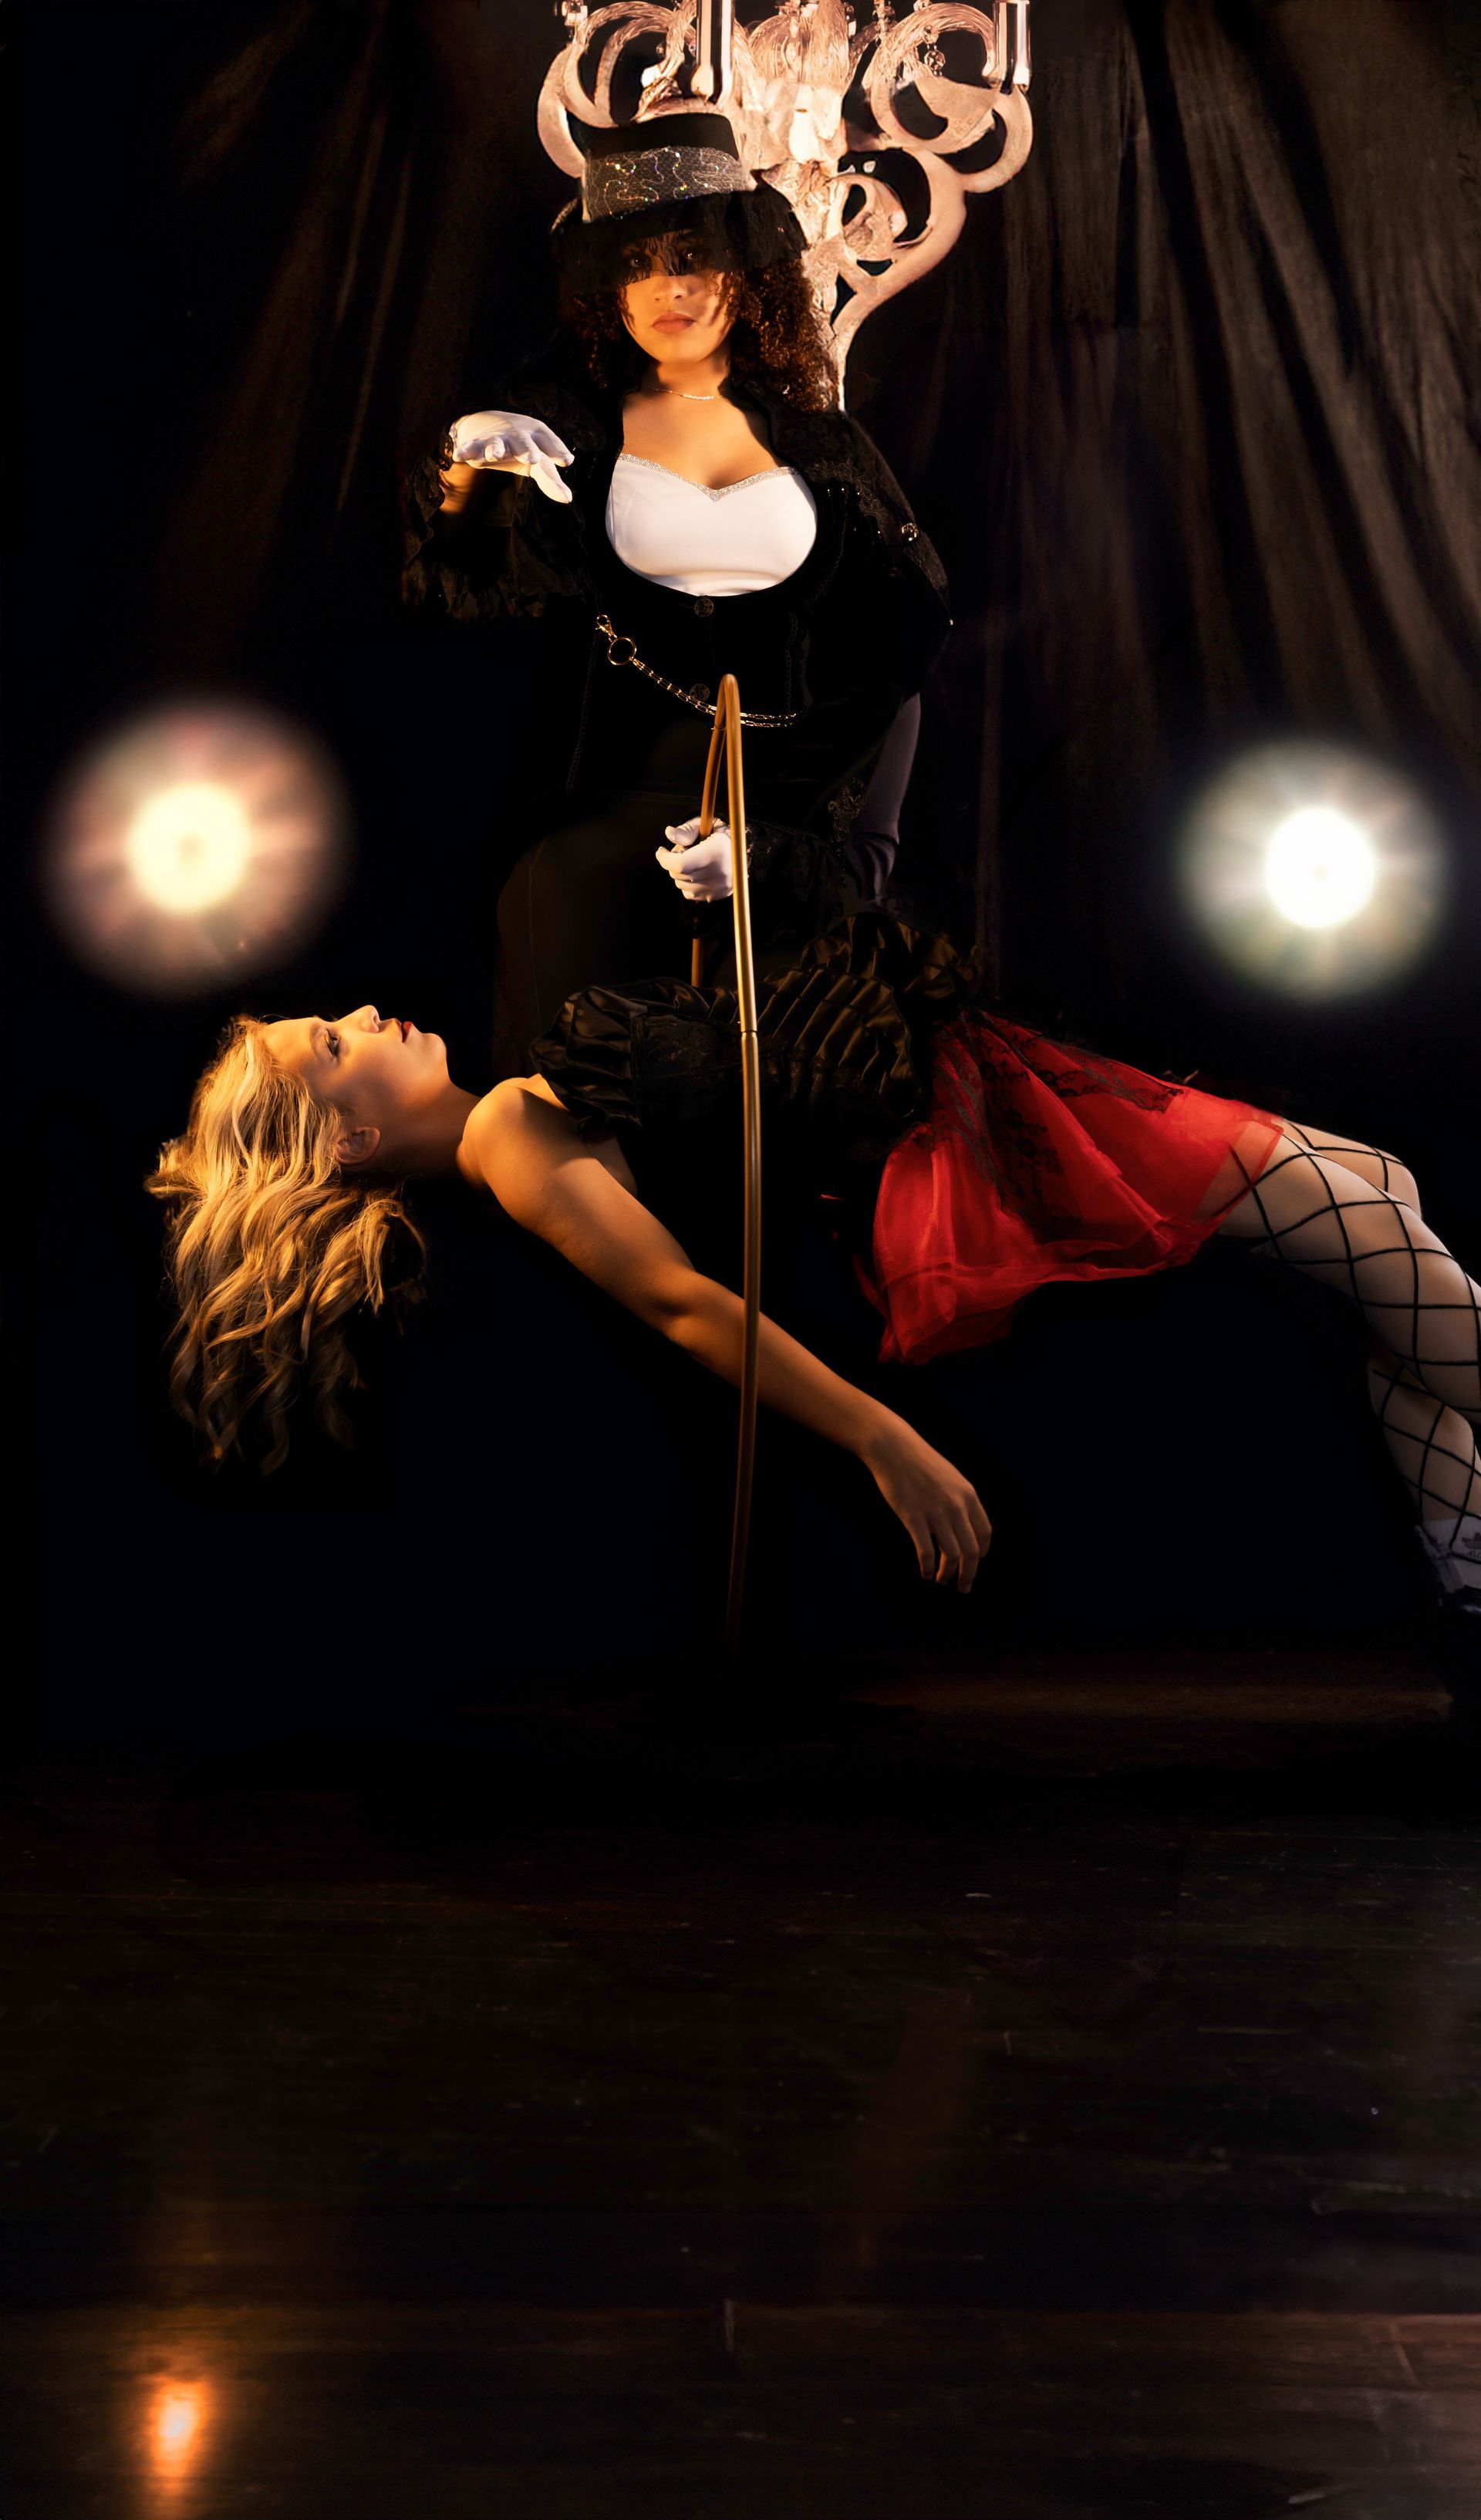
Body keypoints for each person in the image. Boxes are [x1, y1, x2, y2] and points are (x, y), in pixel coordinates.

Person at [150, 919, 1481, 1702]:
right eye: (334, 1044)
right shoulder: (506, 1131)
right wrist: (882, 1440)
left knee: (1379, 1198)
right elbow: (680, 1301)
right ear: (338, 1146)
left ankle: (1472, 1591)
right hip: (959, 1129)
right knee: (1369, 1220)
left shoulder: (528, 1107)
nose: (366, 1012)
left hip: (969, 1089)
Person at [400, 113, 949, 1068]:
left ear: (744, 265)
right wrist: (465, 470)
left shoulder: (824, 447)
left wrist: (804, 855)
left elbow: (899, 638)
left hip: (777, 822)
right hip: (601, 829)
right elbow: (457, 577)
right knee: (584, 1087)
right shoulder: (569, 422)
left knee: (773, 1101)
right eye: (639, 261)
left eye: (694, 255)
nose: (670, 288)